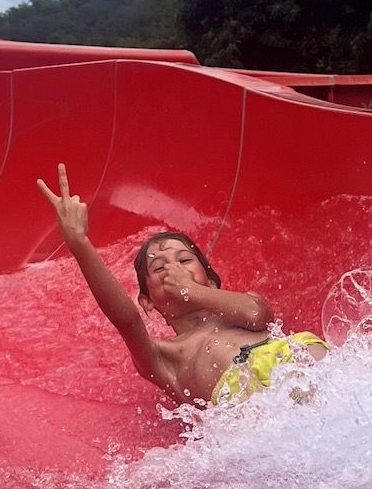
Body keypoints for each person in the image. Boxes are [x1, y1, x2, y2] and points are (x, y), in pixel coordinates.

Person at [37, 163, 326, 405]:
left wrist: (189, 290)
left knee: (312, 381)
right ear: (148, 301)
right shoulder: (166, 358)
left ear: (211, 281)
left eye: (185, 261)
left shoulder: (239, 313)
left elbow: (258, 313)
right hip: (248, 400)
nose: (173, 270)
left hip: (294, 356)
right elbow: (127, 321)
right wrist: (79, 243)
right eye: (159, 268)